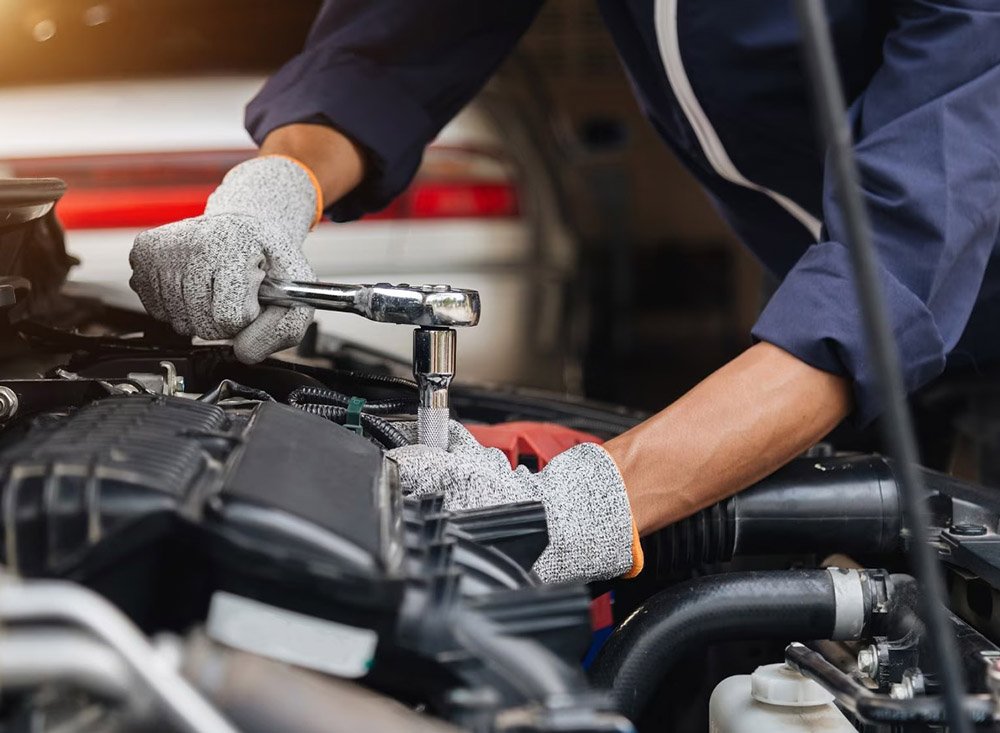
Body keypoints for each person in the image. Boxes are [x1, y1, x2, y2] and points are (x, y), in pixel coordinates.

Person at [129, 2, 1000, 584]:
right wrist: (272, 194)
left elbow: (894, 267)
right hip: (827, 321)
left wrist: (581, 505)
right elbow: (387, 49)